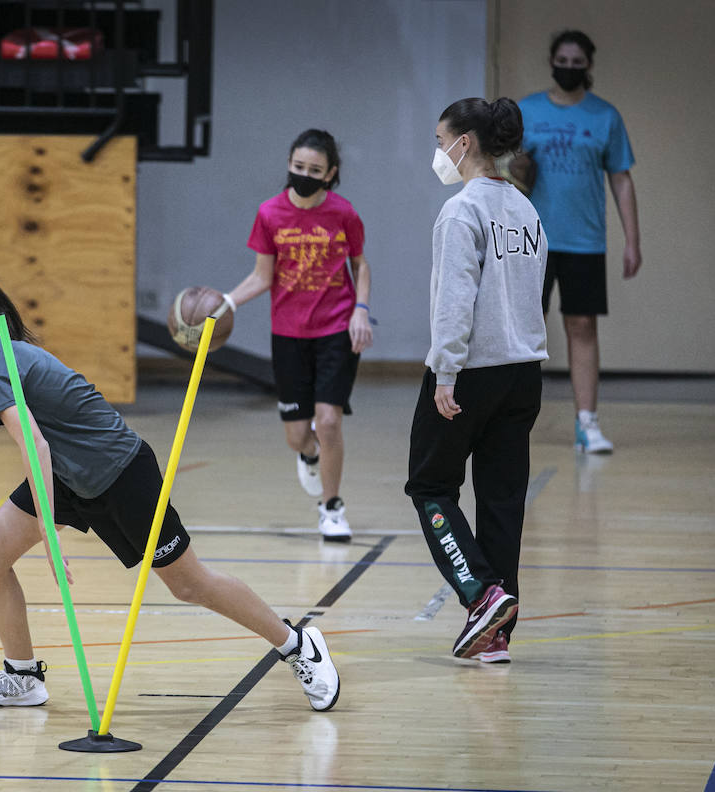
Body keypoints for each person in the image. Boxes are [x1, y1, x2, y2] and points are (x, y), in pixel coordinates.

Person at [0, 273, 340, 711]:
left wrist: (46, 526)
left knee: (191, 585)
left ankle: (297, 645)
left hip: (120, 473)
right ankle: (21, 676)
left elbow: (35, 445)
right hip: (68, 473)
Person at [406, 98, 548, 664]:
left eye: (441, 141)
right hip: (523, 374)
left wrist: (445, 371)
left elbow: (454, 301)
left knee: (430, 487)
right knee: (501, 501)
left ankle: (479, 593)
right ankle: (494, 636)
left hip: (470, 373)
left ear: (465, 142)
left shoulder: (462, 211)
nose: (439, 152)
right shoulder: (526, 210)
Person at [224, 129, 373, 541]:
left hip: (336, 329)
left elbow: (360, 266)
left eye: (314, 170)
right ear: (289, 164)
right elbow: (261, 276)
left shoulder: (344, 214)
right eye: (298, 167)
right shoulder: (270, 213)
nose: (304, 174)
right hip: (288, 334)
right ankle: (309, 455)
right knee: (298, 435)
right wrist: (227, 303)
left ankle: (331, 507)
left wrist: (361, 310)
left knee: (328, 421)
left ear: (331, 173)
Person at [511, 30, 639, 453]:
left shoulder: (605, 116)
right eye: (561, 60)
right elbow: (505, 174)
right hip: (532, 238)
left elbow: (621, 180)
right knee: (526, 331)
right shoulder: (527, 111)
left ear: (589, 65)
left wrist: (632, 241)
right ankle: (510, 422)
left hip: (585, 241)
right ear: (551, 61)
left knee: (582, 326)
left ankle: (587, 423)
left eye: (576, 61)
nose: (568, 67)